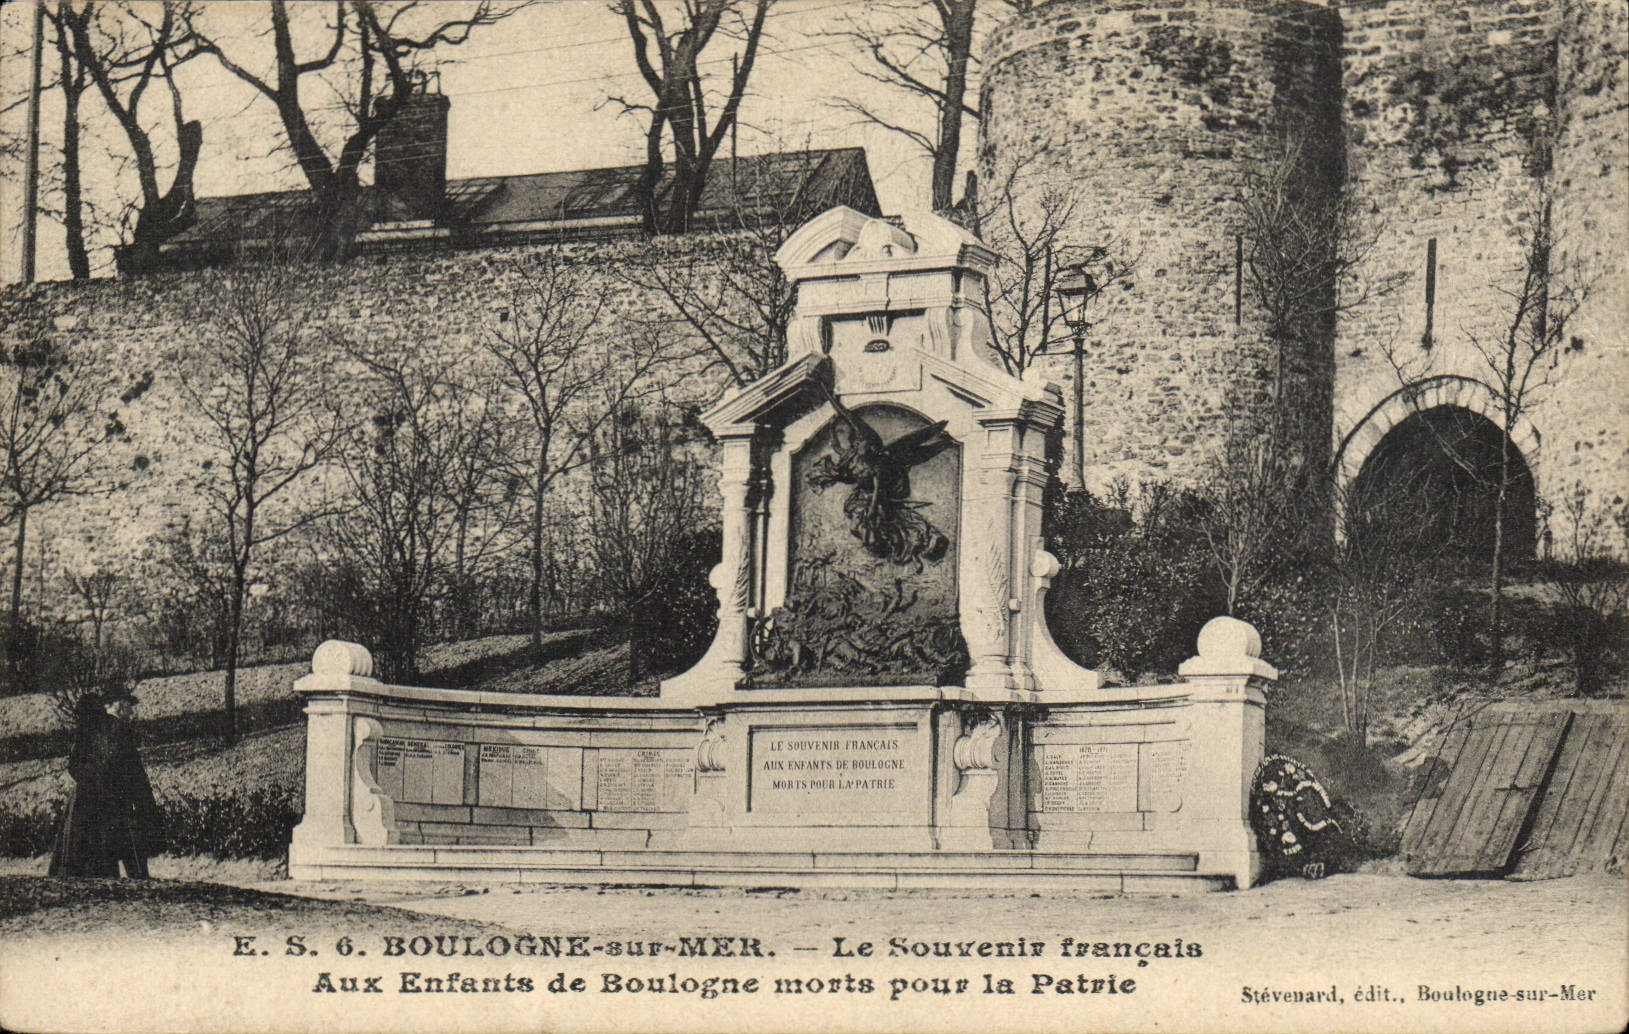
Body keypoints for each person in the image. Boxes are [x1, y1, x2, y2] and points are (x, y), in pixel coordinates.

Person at [48, 686, 164, 878]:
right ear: (117, 705)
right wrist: (144, 803)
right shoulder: (118, 729)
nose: (132, 710)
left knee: (94, 856)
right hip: (116, 798)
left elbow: (74, 765)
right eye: (128, 705)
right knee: (127, 851)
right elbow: (134, 771)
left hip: (86, 799)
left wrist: (91, 782)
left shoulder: (91, 728)